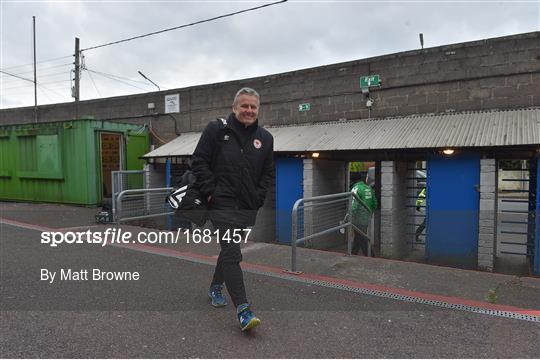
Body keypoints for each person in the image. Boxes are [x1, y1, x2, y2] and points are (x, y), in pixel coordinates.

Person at [191, 87, 274, 331]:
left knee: (230, 251)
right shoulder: (217, 130)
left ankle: (215, 287)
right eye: (244, 106)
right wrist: (211, 191)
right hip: (221, 204)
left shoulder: (265, 138)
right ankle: (244, 310)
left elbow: (268, 173)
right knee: (232, 252)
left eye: (253, 107)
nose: (249, 110)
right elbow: (199, 161)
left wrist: (258, 197)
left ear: (258, 110)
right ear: (234, 107)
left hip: (247, 206)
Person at [350, 181, 377, 256]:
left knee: (361, 237)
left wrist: (349, 216)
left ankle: (371, 256)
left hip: (358, 218)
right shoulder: (369, 188)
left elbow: (353, 206)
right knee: (358, 236)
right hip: (366, 217)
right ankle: (353, 253)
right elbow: (375, 204)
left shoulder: (356, 188)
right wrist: (369, 213)